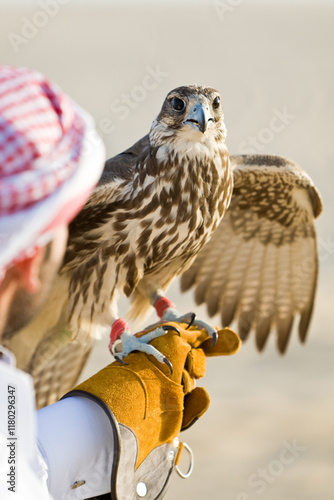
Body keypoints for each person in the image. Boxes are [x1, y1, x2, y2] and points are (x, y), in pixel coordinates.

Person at [0, 66, 240, 500]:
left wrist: (101, 425)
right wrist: (118, 336)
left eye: (211, 109)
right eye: (180, 106)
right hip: (88, 295)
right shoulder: (124, 177)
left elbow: (16, 468)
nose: (198, 116)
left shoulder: (221, 177)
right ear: (30, 254)